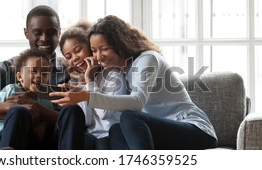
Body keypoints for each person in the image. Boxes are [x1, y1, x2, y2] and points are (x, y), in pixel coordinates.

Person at [50, 15, 217, 150]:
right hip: (158, 130)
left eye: (105, 49)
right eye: (95, 51)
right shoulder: (119, 71)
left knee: (130, 117)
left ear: (120, 43)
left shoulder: (147, 59)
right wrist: (86, 84)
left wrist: (87, 95)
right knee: (116, 129)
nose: (99, 56)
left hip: (194, 129)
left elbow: (137, 102)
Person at [56, 19, 127, 149]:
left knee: (102, 145)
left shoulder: (113, 74)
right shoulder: (76, 82)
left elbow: (104, 113)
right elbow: (86, 120)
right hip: (90, 136)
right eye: (68, 56)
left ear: (90, 48)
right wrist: (83, 82)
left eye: (78, 50)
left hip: (111, 135)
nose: (75, 58)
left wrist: (89, 82)